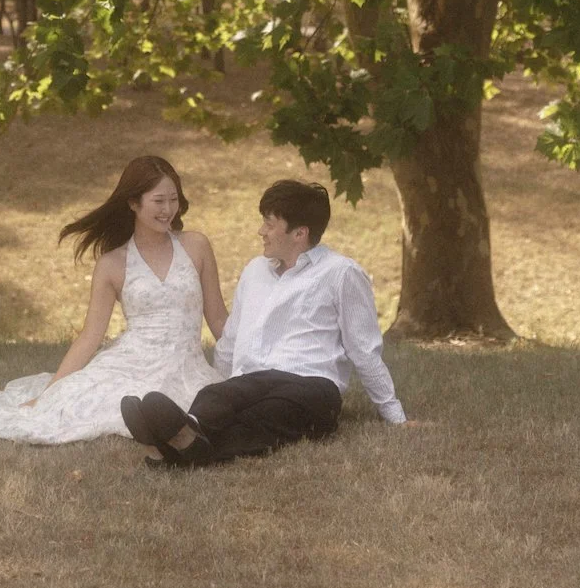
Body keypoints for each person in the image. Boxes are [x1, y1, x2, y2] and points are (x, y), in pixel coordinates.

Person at [121, 178, 407, 469]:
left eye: (269, 225)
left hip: (311, 386)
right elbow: (231, 339)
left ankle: (171, 448)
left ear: (300, 233)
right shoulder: (255, 270)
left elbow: (364, 349)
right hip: (254, 378)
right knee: (217, 396)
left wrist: (394, 414)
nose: (261, 232)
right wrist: (223, 381)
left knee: (272, 411)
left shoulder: (341, 273)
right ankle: (188, 432)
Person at [0, 155, 227, 444]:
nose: (168, 209)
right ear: (133, 203)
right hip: (130, 364)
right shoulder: (113, 264)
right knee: (83, 407)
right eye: (159, 201)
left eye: (173, 199)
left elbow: (218, 318)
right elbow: (90, 336)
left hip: (188, 368)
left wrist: (256, 360)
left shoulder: (196, 246)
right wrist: (50, 393)